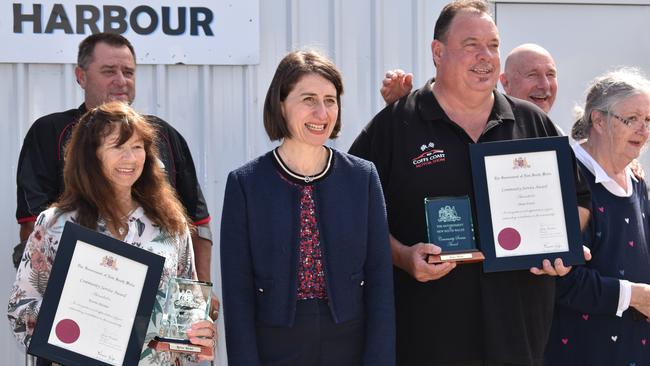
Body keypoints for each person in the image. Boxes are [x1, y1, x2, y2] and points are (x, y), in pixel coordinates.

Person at [348, 1, 591, 365]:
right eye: (471, 45)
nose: (486, 56)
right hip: (426, 338)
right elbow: (354, 215)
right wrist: (402, 256)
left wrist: (560, 245)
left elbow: (580, 201)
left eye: (493, 45)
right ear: (438, 52)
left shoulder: (531, 122)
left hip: (518, 337)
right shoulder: (394, 126)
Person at [220, 50, 395, 365]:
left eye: (330, 100)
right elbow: (238, 294)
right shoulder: (246, 184)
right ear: (281, 103)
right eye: (309, 99)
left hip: (349, 347)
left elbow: (380, 280)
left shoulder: (362, 177)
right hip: (275, 348)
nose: (322, 112)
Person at [7, 102, 216, 365]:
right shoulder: (54, 225)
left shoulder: (171, 225)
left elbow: (186, 309)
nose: (130, 158)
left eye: (137, 147)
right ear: (91, 155)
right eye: (118, 146)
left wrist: (198, 331)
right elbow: (19, 313)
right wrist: (70, 311)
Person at [14, 33, 215, 298]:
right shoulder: (49, 133)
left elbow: (196, 224)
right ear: (81, 76)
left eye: (128, 72)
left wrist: (201, 297)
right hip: (79, 305)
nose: (121, 81)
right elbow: (33, 228)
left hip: (153, 317)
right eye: (109, 71)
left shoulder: (163, 134)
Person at [545, 68, 650, 366]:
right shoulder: (568, 176)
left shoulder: (636, 179)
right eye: (632, 120)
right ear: (599, 120)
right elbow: (562, 280)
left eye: (648, 121)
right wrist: (635, 295)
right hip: (581, 348)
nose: (643, 131)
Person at [380, 43, 558, 113]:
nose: (544, 85)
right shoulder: (477, 123)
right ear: (505, 82)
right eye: (532, 75)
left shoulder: (553, 134)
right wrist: (397, 108)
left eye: (551, 74)